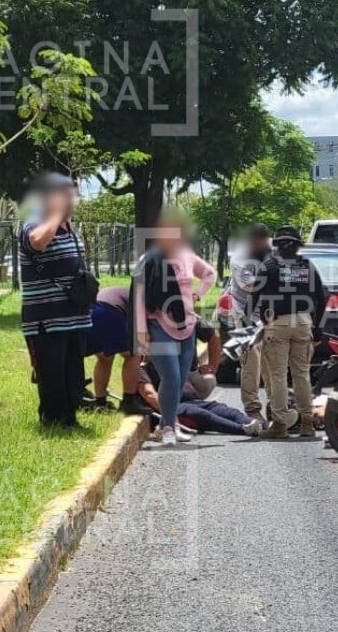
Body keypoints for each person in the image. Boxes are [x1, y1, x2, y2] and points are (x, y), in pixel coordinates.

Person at [134, 211, 217, 446]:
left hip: (186, 326)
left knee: (179, 379)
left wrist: (198, 293)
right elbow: (138, 296)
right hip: (158, 325)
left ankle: (165, 426)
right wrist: (141, 332)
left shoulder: (187, 257)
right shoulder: (147, 260)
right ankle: (169, 427)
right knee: (169, 375)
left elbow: (210, 274)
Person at [19, 172, 92, 428]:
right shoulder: (34, 222)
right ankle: (52, 419)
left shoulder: (68, 227)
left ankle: (70, 417)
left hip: (74, 315)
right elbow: (37, 243)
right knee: (51, 372)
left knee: (73, 372)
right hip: (46, 318)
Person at [257, 226, 326, 439]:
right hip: (304, 322)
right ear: (298, 246)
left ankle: (280, 424)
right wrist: (318, 328)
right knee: (302, 374)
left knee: (278, 375)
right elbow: (322, 298)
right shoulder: (308, 266)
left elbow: (257, 297)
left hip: (278, 322)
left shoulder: (268, 266)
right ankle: (307, 424)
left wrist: (262, 319)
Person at [137, 363, 264, 437]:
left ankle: (256, 424)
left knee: (227, 411)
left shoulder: (171, 363)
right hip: (176, 407)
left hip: (195, 401)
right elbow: (149, 394)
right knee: (199, 414)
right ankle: (242, 429)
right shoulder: (142, 370)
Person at [84, 285, 151, 415]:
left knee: (105, 359)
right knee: (134, 355)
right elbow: (143, 332)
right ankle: (129, 402)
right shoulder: (144, 300)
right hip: (110, 312)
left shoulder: (125, 291)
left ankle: (100, 403)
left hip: (91, 312)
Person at [232, 223, 274, 419]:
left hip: (270, 315)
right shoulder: (240, 258)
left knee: (273, 362)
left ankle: (276, 407)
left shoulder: (273, 251)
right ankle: (253, 410)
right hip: (246, 316)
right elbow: (250, 285)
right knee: (251, 364)